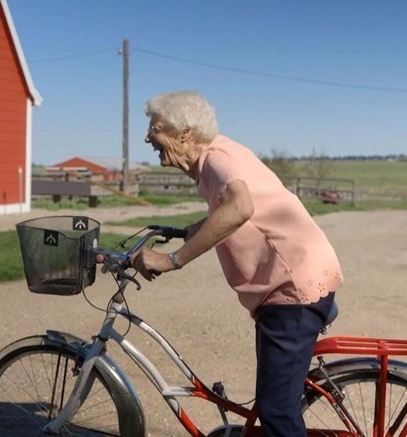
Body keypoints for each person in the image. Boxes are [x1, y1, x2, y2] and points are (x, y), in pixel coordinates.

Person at [134, 90, 343, 437]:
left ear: (185, 133)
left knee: (277, 410)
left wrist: (172, 261)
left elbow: (240, 208)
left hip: (292, 290)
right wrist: (189, 231)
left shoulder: (217, 162)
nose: (147, 137)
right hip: (290, 284)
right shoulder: (220, 154)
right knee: (273, 400)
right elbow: (239, 211)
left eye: (155, 128)